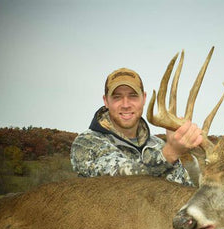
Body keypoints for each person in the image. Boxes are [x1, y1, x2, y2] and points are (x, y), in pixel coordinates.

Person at [70, 67, 203, 186]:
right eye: (117, 97)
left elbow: (184, 190)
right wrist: (170, 153)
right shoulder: (86, 143)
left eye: (133, 96)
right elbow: (122, 177)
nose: (126, 104)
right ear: (106, 101)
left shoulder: (157, 145)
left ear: (144, 98)